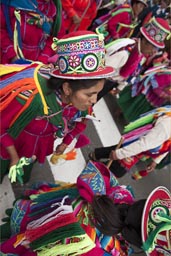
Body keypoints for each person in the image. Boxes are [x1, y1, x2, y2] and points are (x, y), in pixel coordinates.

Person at [0, 30, 115, 184]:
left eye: (97, 94)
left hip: (33, 150)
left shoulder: (78, 103)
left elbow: (80, 123)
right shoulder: (31, 96)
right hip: (11, 147)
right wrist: (13, 156)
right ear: (67, 88)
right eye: (89, 94)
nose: (93, 101)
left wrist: (65, 142)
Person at [1, 162, 170, 255]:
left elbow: (93, 173)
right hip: (32, 243)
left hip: (34, 213)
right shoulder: (100, 247)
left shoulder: (120, 194)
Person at [88, 106, 171, 179]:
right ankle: (93, 173)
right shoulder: (166, 127)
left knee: (118, 154)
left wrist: (156, 161)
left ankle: (96, 155)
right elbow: (143, 144)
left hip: (146, 146)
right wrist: (120, 154)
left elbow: (167, 145)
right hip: (141, 144)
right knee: (118, 169)